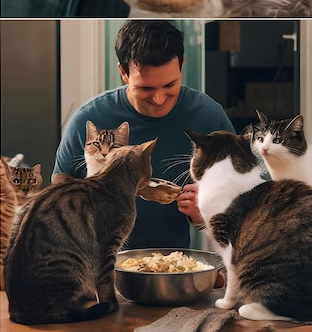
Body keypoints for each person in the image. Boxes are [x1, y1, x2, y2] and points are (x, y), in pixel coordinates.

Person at [53, 20, 235, 249]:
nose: (159, 99)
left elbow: (246, 200)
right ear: (123, 72)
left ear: (182, 65)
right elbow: (58, 200)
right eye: (146, 89)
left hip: (173, 268)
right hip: (98, 266)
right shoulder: (89, 118)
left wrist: (207, 213)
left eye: (170, 85)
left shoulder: (209, 116)